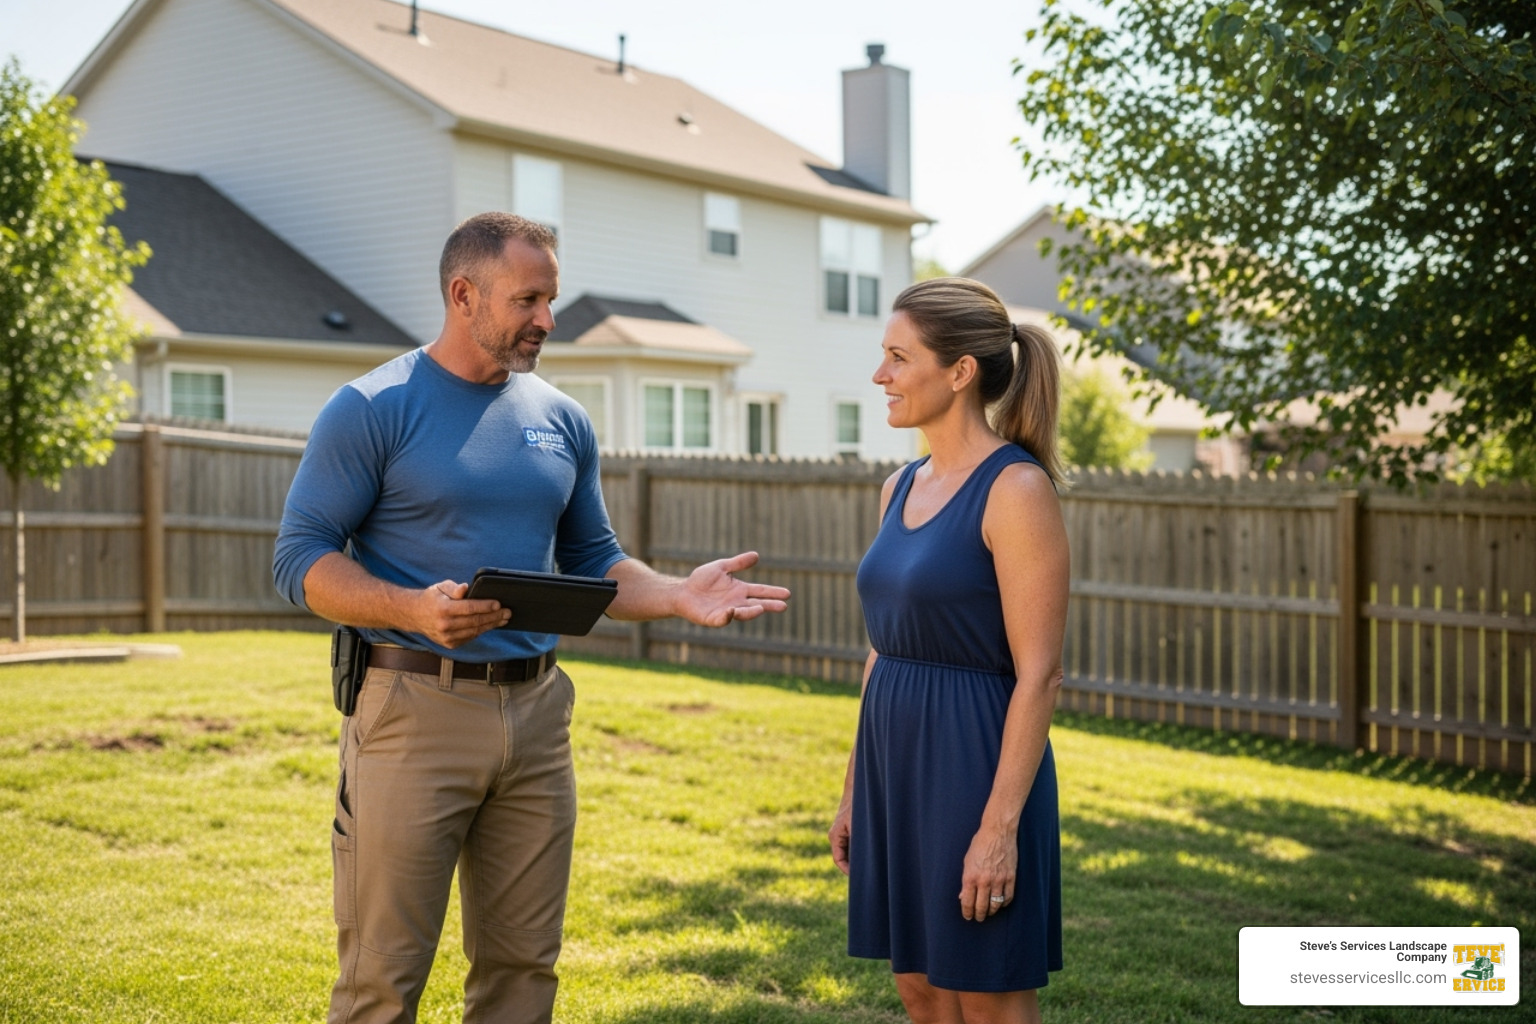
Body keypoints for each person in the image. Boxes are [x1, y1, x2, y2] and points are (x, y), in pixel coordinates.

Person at [273, 212, 790, 1024]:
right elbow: (298, 559)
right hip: (413, 711)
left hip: (539, 718)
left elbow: (597, 562)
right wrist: (412, 607)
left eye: (551, 299)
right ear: (463, 293)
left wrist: (678, 594)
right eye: (530, 299)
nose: (547, 319)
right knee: (382, 980)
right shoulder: (371, 407)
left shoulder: (562, 419)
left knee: (523, 975)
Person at [828, 277, 1068, 1024]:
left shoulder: (1016, 490)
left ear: (959, 371)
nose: (881, 376)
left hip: (975, 763)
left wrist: (998, 830)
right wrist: (852, 791)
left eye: (899, 357)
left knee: (986, 991)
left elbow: (1040, 675)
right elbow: (882, 649)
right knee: (921, 988)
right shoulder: (898, 486)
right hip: (892, 762)